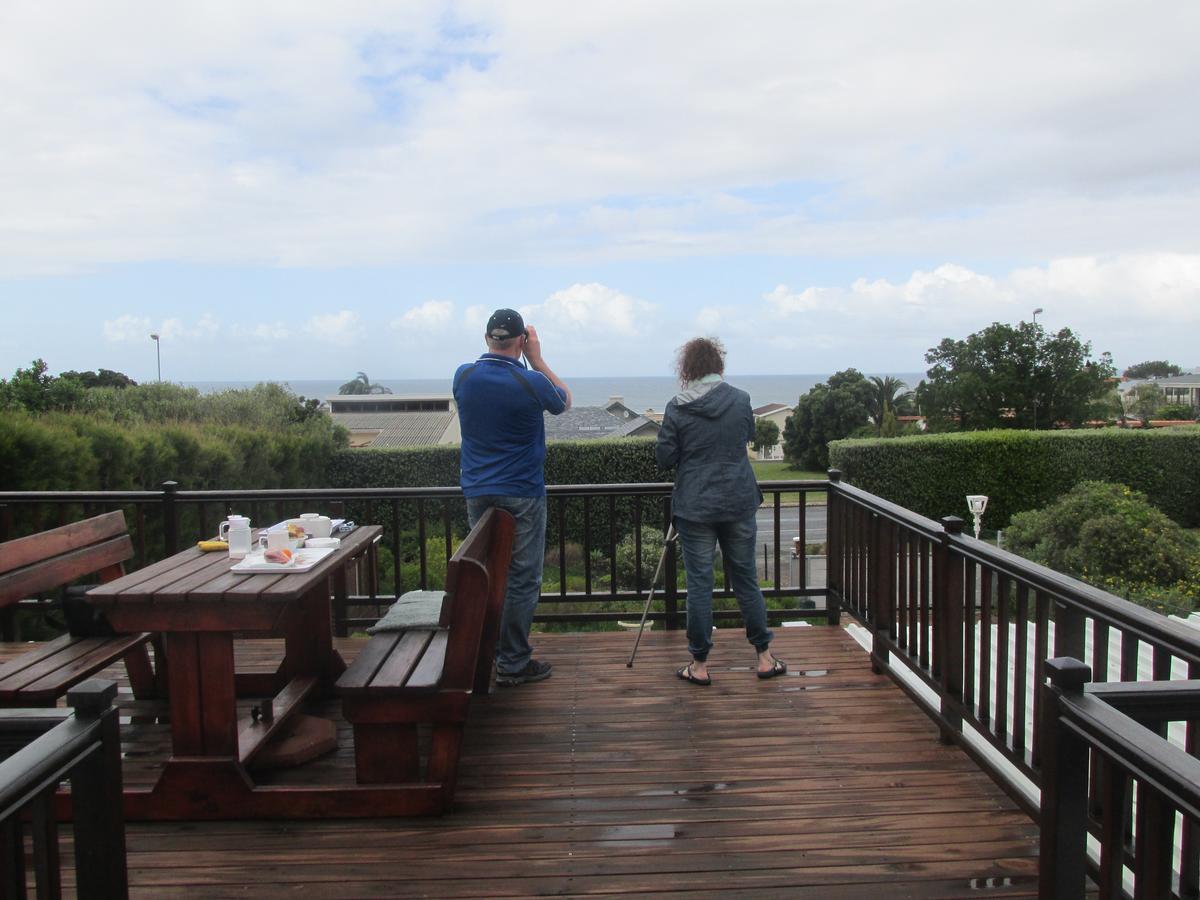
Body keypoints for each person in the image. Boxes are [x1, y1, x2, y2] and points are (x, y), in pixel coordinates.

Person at [655, 337, 786, 686]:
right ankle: (764, 657)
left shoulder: (676, 406)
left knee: (700, 585)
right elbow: (747, 434)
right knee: (746, 580)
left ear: (687, 369)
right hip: (739, 500)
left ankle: (698, 665)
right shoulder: (741, 399)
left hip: (695, 505)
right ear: (718, 365)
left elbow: (665, 457)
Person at [453, 308, 572, 686]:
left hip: (477, 491)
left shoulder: (464, 377)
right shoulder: (530, 382)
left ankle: (485, 653)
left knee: (486, 572)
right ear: (521, 340)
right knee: (522, 578)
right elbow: (564, 400)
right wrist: (536, 359)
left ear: (487, 338)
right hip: (522, 491)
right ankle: (513, 662)